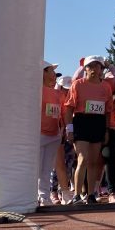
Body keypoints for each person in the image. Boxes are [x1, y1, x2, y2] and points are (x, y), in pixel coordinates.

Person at [64, 55, 113, 204]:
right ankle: (77, 194)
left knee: (93, 161)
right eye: (90, 66)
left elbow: (108, 111)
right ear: (85, 69)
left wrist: (106, 130)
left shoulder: (106, 87)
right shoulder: (78, 84)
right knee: (82, 159)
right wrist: (69, 129)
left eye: (97, 66)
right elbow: (69, 108)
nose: (94, 69)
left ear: (101, 69)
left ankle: (91, 194)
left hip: (98, 123)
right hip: (81, 122)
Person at [40, 60, 70, 205]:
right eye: (51, 70)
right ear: (43, 73)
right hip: (39, 134)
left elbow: (63, 113)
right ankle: (35, 195)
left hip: (54, 135)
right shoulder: (36, 91)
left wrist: (64, 129)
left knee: (47, 168)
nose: (54, 74)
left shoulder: (58, 94)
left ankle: (44, 196)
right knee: (38, 167)